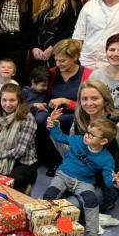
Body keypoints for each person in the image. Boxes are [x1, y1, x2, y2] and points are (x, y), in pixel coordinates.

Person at [44, 114, 119, 236]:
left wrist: (116, 181)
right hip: (64, 175)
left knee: (91, 201)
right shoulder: (77, 139)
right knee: (49, 195)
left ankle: (92, 233)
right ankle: (44, 222)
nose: (86, 136)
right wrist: (54, 125)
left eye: (91, 135)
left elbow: (108, 181)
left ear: (103, 141)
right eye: (87, 132)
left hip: (84, 182)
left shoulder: (107, 159)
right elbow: (59, 137)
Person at [70, 80, 119, 227]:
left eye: (94, 98)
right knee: (52, 203)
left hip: (106, 185)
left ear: (105, 100)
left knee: (67, 209)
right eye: (84, 99)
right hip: (81, 179)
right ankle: (92, 215)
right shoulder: (79, 121)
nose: (89, 103)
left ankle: (100, 208)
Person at [33, 39, 93, 176]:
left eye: (63, 61)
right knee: (40, 118)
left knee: (56, 122)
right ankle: (44, 157)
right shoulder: (53, 72)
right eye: (56, 60)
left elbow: (91, 105)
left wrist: (66, 102)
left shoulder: (88, 75)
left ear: (75, 57)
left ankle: (58, 161)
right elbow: (44, 95)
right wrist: (42, 104)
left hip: (77, 113)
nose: (58, 64)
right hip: (53, 111)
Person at [31, 0, 83, 68]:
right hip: (40, 53)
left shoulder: (74, 1)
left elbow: (70, 29)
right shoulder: (47, 1)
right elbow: (36, 27)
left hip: (59, 52)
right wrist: (34, 47)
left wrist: (53, 48)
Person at [89, 33, 119, 131]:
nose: (115, 54)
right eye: (112, 50)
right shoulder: (96, 75)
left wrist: (115, 128)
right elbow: (85, 104)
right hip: (97, 128)